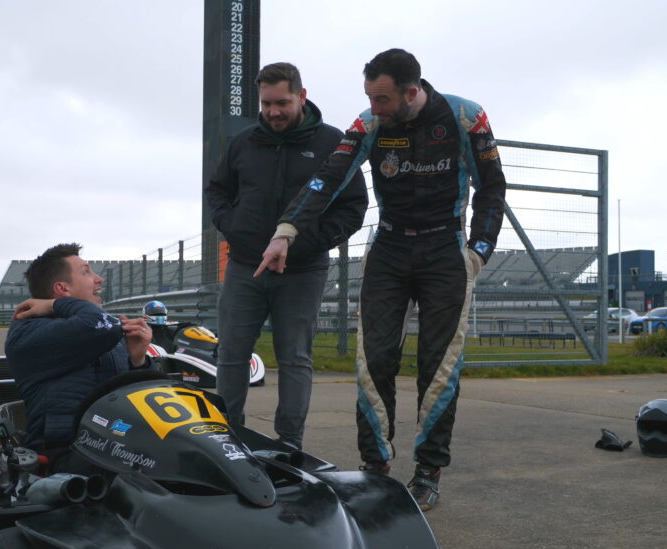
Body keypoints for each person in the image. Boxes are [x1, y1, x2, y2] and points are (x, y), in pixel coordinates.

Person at [256, 49, 506, 510]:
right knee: (374, 360)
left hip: (446, 252)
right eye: (370, 96)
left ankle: (429, 471)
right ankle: (375, 466)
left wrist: (479, 251)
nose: (374, 108)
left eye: (384, 99)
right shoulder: (368, 123)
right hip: (389, 248)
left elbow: (492, 186)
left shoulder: (466, 116)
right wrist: (286, 231)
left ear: (412, 92)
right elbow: (328, 178)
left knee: (439, 367)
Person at [205, 62, 368, 450]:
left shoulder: (333, 143)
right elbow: (217, 190)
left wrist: (308, 242)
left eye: (282, 103)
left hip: (302, 270)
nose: (274, 112)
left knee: (294, 358)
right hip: (246, 266)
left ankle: (289, 443)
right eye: (266, 104)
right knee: (230, 354)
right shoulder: (244, 143)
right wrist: (235, 229)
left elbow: (353, 206)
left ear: (302, 96)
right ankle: (226, 438)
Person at [5, 243, 154, 474]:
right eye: (86, 272)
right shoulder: (28, 330)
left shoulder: (106, 331)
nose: (99, 279)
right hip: (64, 453)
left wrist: (138, 361)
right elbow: (97, 324)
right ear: (62, 289)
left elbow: (139, 399)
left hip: (118, 444)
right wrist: (55, 305)